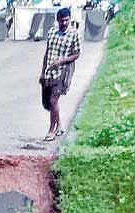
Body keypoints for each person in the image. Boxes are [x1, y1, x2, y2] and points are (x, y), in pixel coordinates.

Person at [39, 7, 80, 141]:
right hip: (49, 71)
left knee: (53, 100)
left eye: (66, 20)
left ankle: (51, 131)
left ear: (70, 19)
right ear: (57, 20)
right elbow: (47, 53)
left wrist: (61, 61)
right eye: (62, 20)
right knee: (50, 102)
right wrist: (42, 71)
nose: (64, 23)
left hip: (63, 72)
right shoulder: (51, 32)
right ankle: (60, 126)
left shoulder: (74, 34)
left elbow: (76, 54)